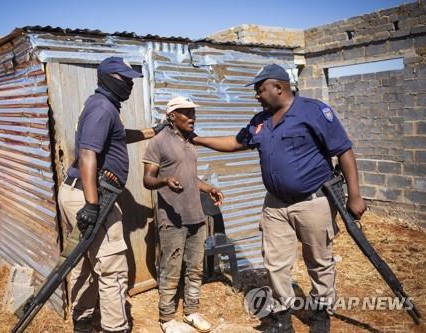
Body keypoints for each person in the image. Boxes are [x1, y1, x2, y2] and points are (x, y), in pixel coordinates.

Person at [192, 64, 367, 333]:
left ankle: (321, 313)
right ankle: (281, 317)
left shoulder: (313, 111)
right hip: (274, 204)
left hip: (313, 201)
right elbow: (234, 143)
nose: (257, 95)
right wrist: (197, 139)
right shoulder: (260, 121)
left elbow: (344, 151)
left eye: (260, 89)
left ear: (279, 87)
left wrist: (355, 195)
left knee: (319, 261)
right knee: (274, 264)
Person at [58, 56, 166, 333]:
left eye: (131, 78)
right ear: (107, 77)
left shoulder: (103, 106)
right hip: (91, 196)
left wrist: (152, 131)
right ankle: (115, 328)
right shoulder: (103, 108)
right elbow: (86, 153)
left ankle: (83, 320)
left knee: (87, 261)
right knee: (112, 266)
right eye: (124, 78)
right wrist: (93, 205)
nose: (129, 83)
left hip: (83, 193)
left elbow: (119, 136)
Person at [142, 96, 224, 333]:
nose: (192, 117)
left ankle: (191, 311)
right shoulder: (158, 142)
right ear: (172, 116)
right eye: (186, 113)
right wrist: (164, 180)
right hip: (172, 218)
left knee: (195, 267)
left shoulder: (190, 142)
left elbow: (190, 178)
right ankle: (167, 318)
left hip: (195, 216)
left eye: (193, 113)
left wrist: (209, 188)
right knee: (172, 267)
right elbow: (147, 179)